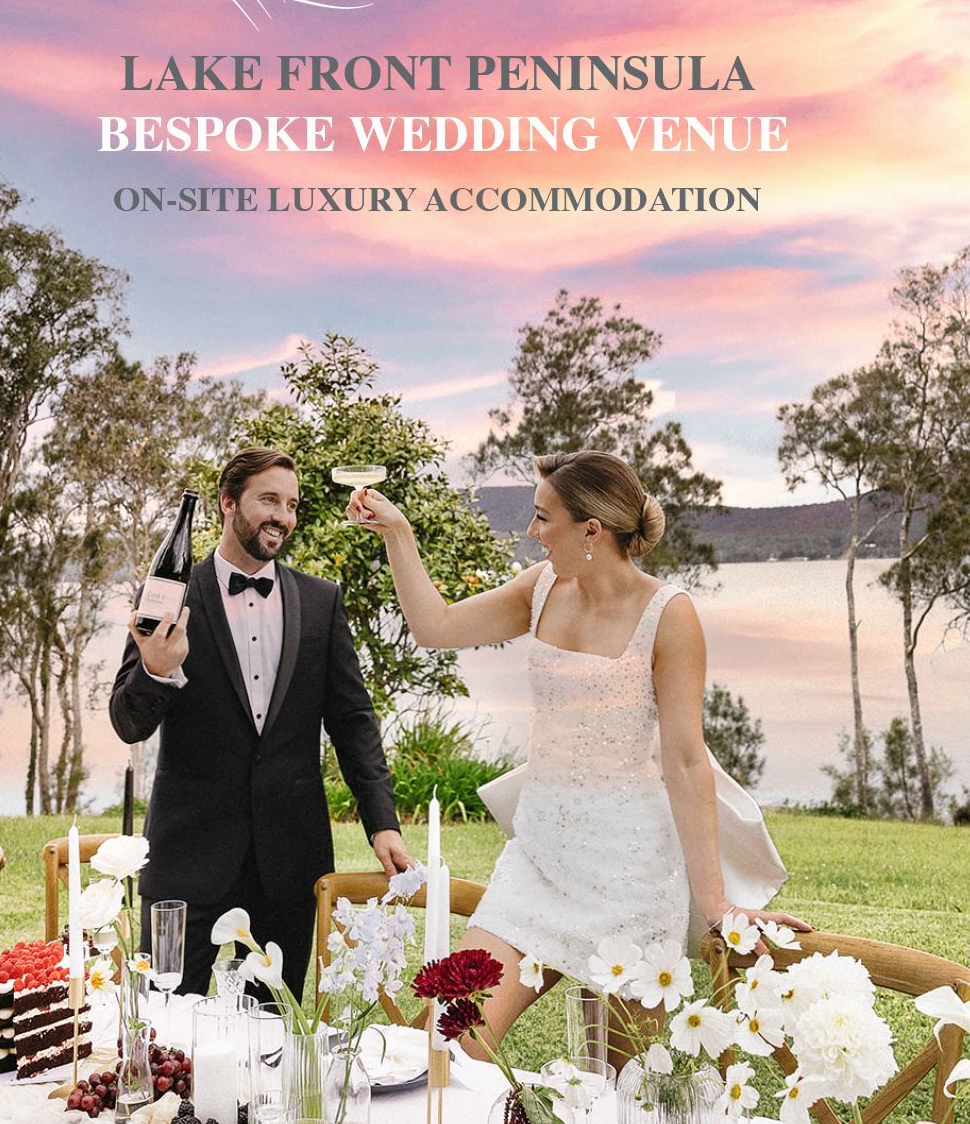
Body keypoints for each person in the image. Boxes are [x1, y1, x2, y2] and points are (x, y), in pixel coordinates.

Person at [347, 449, 809, 1053]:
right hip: (536, 859)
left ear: (591, 529)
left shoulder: (668, 614)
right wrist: (398, 535)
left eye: (544, 518)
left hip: (632, 876)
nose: (533, 533)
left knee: (623, 1084)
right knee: (451, 1038)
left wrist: (717, 906)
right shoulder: (540, 589)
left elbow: (686, 760)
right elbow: (435, 628)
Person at [110, 446, 410, 1001]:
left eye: (291, 505)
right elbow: (127, 723)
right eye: (268, 500)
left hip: (289, 858)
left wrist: (381, 822)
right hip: (185, 860)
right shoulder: (170, 593)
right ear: (228, 503)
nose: (282, 516)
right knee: (163, 1029)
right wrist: (157, 669)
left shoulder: (321, 601)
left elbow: (353, 721)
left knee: (275, 1037)